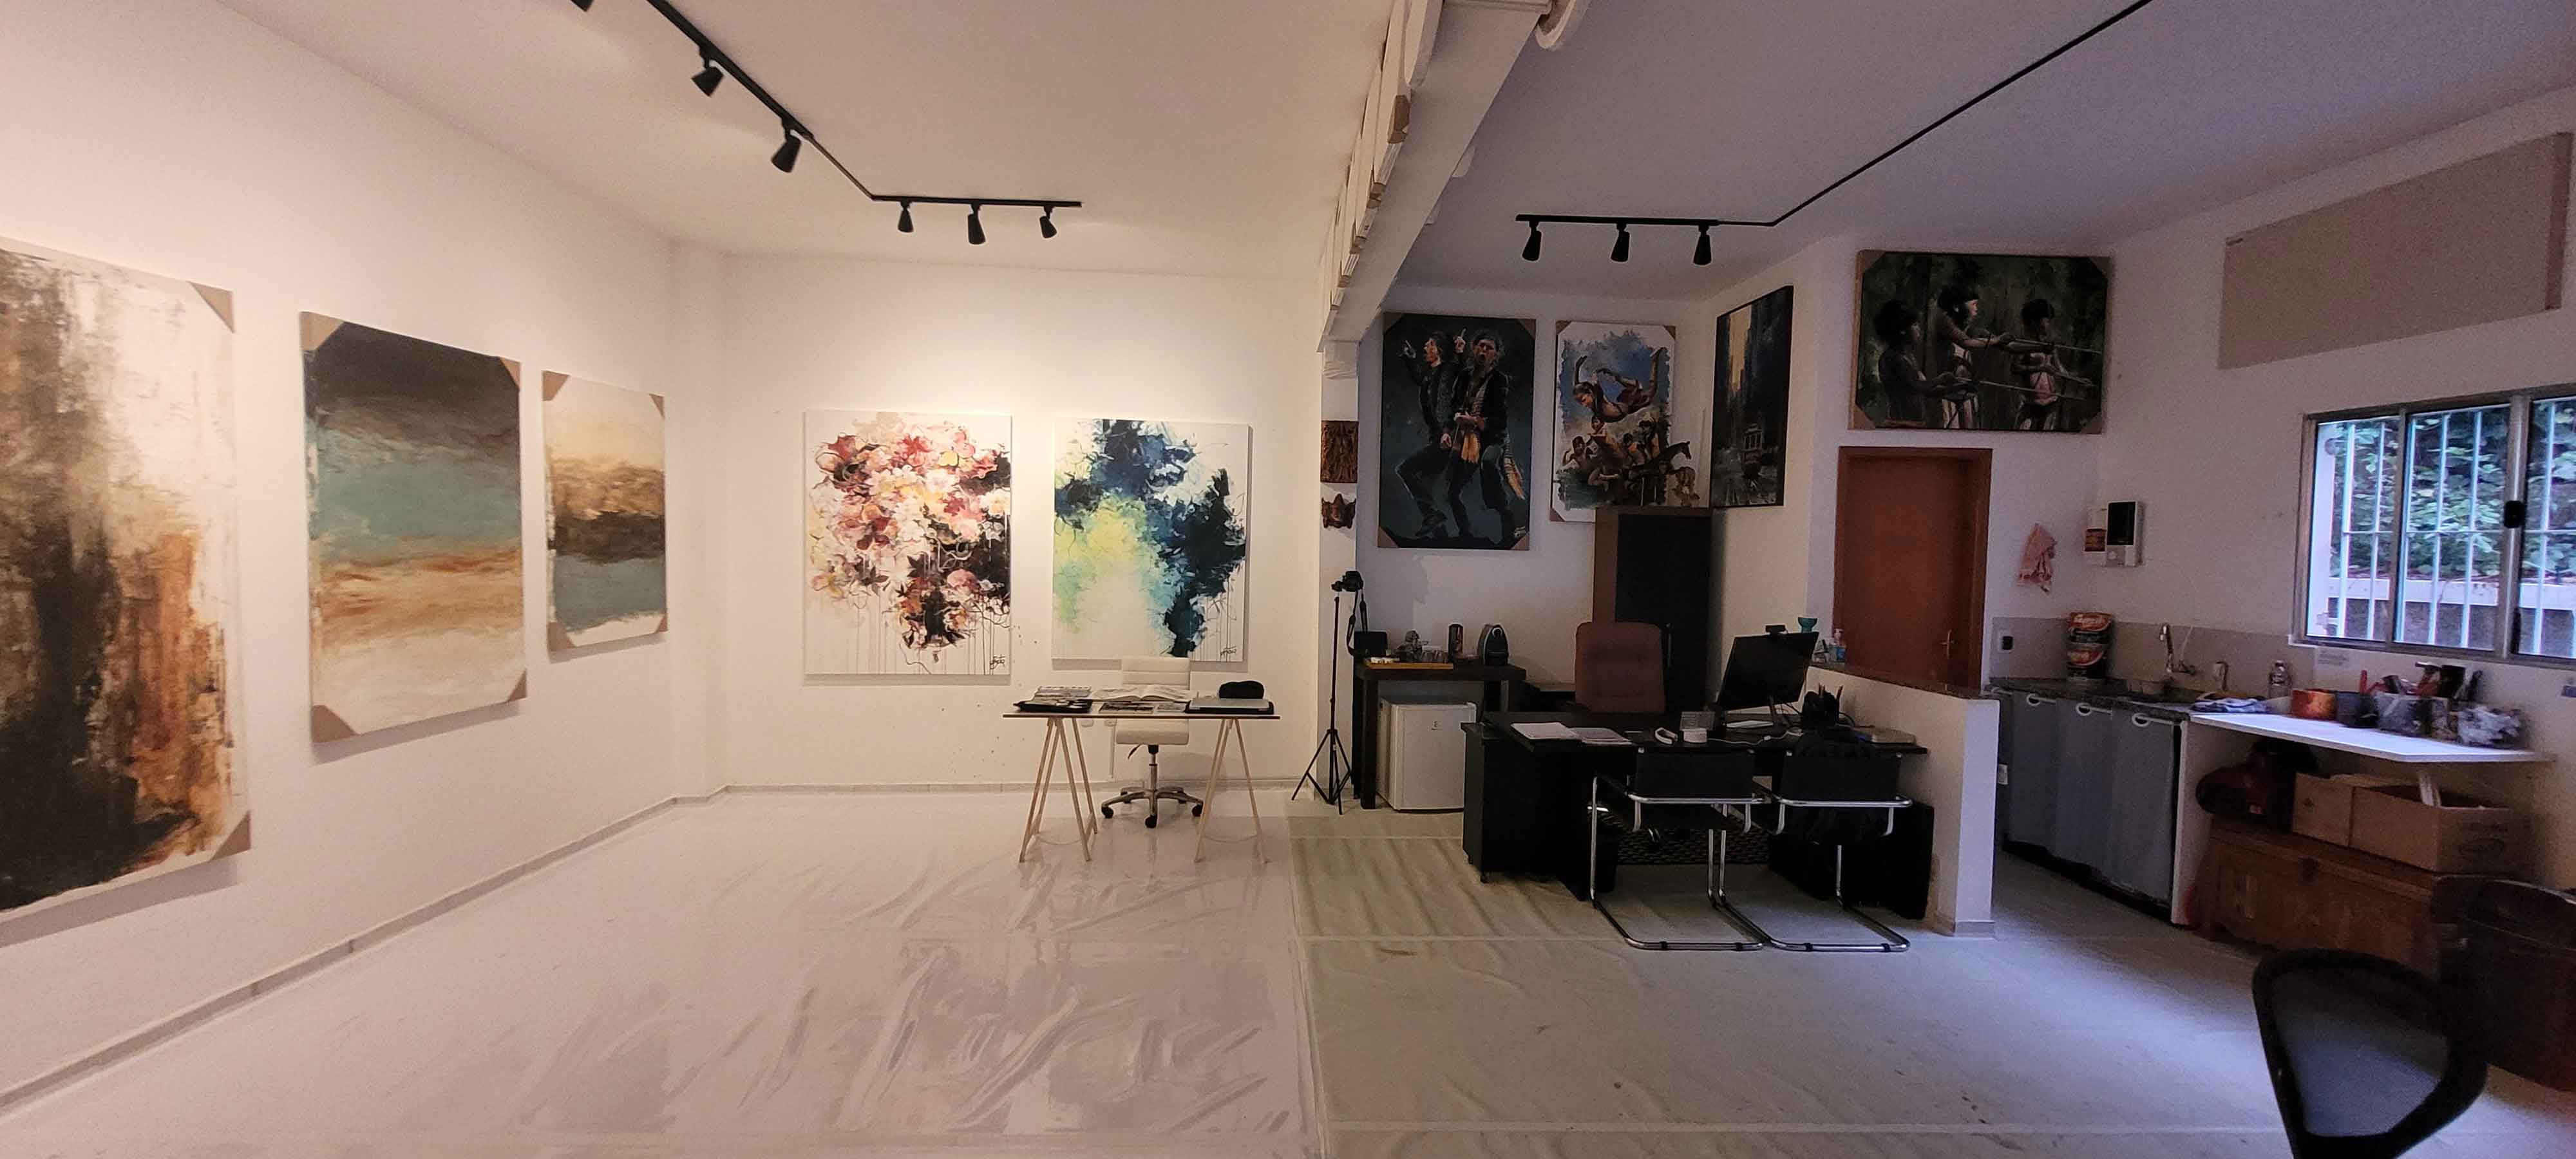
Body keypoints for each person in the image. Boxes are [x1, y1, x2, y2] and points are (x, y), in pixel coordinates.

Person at [2007, 297, 2096, 432]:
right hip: (2030, 404)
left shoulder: (2049, 345)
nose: (2049, 325)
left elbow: (2060, 371)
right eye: (2047, 321)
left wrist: (2079, 381)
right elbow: (2014, 368)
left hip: (2051, 404)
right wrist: (2040, 368)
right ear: (2035, 322)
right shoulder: (2024, 345)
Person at [1930, 282, 2003, 429]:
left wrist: (2000, 341)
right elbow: (1967, 343)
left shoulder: (1970, 329)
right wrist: (1997, 340)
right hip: (1948, 394)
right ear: (1957, 307)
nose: (1976, 309)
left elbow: (2002, 344)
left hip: (1967, 393)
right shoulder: (1945, 323)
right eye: (1974, 304)